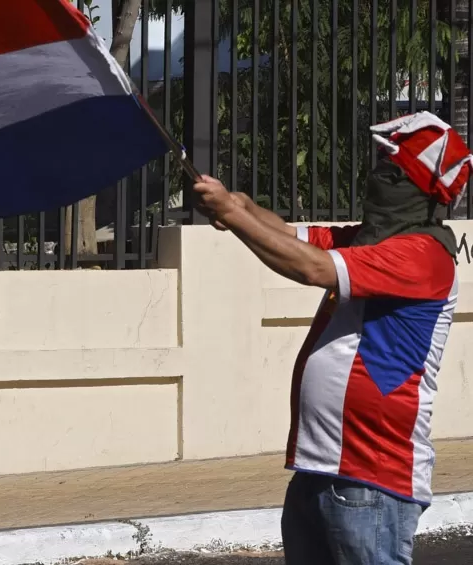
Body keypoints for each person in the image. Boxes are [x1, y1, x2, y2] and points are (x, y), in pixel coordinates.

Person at [193, 111, 472, 565]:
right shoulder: (370, 241)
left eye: (391, 173)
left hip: (372, 480)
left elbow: (312, 267)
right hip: (320, 470)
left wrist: (232, 215)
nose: (376, 180)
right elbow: (288, 235)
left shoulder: (423, 255)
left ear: (421, 192)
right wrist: (241, 208)